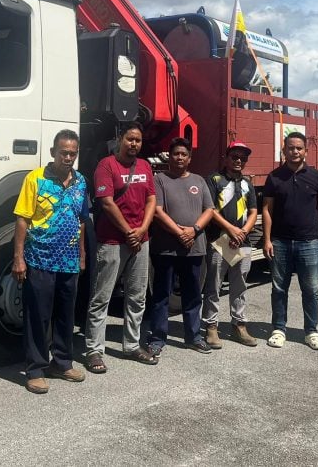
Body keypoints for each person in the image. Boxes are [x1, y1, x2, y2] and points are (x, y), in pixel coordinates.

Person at [12, 129, 89, 394]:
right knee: (39, 316)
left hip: (68, 261)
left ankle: (62, 363)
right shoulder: (35, 179)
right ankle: (34, 369)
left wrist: (81, 254)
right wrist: (18, 258)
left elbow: (81, 220)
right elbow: (22, 218)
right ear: (53, 152)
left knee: (66, 316)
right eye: (64, 152)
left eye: (73, 153)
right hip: (40, 258)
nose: (68, 157)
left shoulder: (81, 182)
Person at [85, 122, 158, 372]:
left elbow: (151, 199)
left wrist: (141, 230)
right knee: (101, 297)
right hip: (112, 241)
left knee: (137, 297)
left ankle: (132, 345)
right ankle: (94, 350)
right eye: (130, 139)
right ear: (120, 139)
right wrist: (128, 231)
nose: (134, 144)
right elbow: (105, 202)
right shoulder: (106, 165)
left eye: (138, 140)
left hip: (141, 240)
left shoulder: (146, 166)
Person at [148, 137, 216, 355]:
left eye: (183, 154)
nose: (179, 157)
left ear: (189, 158)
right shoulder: (159, 179)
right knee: (161, 294)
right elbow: (157, 210)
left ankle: (194, 336)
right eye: (175, 153)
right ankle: (158, 337)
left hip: (194, 247)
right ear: (170, 156)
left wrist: (193, 230)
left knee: (193, 294)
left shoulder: (199, 180)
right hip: (166, 247)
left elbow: (209, 210)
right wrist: (179, 232)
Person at [262, 131, 318, 350]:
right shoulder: (274, 177)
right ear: (284, 151)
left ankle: (311, 331)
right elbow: (267, 209)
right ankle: (279, 329)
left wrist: (309, 224)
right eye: (291, 148)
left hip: (309, 242)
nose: (295, 151)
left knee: (311, 290)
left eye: (299, 148)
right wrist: (267, 239)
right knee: (279, 288)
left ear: (306, 151)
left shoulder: (317, 177)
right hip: (280, 242)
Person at [201, 140, 259, 348]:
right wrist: (230, 229)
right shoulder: (214, 179)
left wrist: (242, 231)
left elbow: (253, 211)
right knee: (214, 286)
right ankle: (211, 326)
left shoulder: (247, 184)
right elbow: (210, 209)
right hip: (220, 240)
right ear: (226, 158)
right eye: (235, 156)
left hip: (242, 241)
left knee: (240, 286)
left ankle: (239, 325)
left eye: (243, 158)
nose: (239, 161)